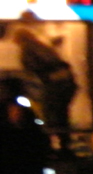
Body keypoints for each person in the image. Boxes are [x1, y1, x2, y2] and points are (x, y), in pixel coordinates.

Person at [13, 28, 78, 157]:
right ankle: (65, 145)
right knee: (62, 116)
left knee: (51, 115)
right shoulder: (42, 46)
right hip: (66, 82)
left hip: (55, 84)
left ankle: (54, 147)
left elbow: (31, 68)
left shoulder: (28, 48)